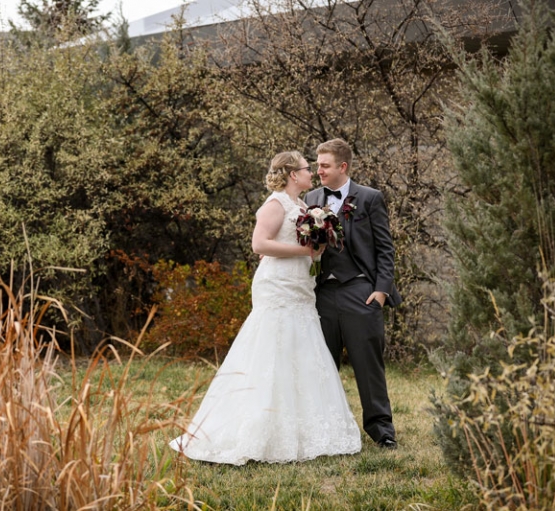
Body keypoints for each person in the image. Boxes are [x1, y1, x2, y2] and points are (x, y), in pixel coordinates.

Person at [169, 151, 361, 465]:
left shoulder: (302, 206)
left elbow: (299, 248)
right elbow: (260, 244)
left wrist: (317, 246)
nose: (311, 173)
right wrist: (301, 250)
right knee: (272, 351)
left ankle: (305, 430)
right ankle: (255, 430)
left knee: (302, 352)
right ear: (291, 174)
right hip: (278, 287)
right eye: (305, 169)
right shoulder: (275, 205)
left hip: (300, 287)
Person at [304, 138, 401, 449]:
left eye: (324, 165)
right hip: (322, 293)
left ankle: (382, 431)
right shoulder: (311, 198)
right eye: (317, 165)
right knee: (322, 366)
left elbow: (386, 249)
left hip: (361, 290)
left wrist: (381, 292)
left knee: (367, 364)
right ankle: (325, 433)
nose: (318, 170)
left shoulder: (370, 198)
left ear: (342, 167)